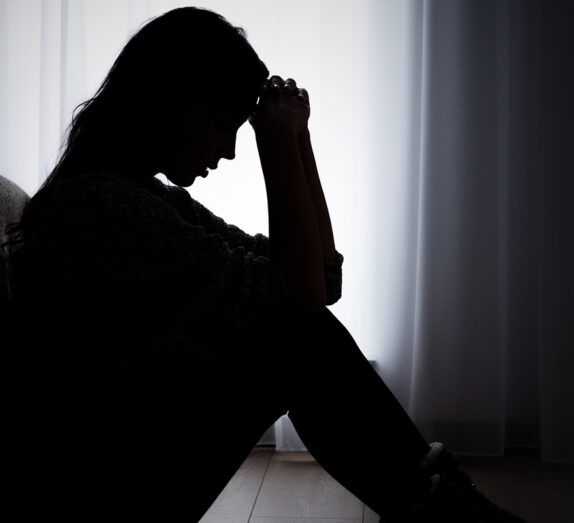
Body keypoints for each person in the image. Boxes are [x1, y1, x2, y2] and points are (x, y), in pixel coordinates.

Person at [2, 7, 525, 522]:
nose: (228, 151)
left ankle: (447, 510)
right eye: (220, 124)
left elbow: (320, 280)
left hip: (127, 457)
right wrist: (277, 149)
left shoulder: (145, 197)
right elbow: (302, 299)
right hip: (96, 487)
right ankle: (452, 512)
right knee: (296, 344)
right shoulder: (101, 207)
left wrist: (298, 143)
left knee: (299, 337)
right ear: (172, 102)